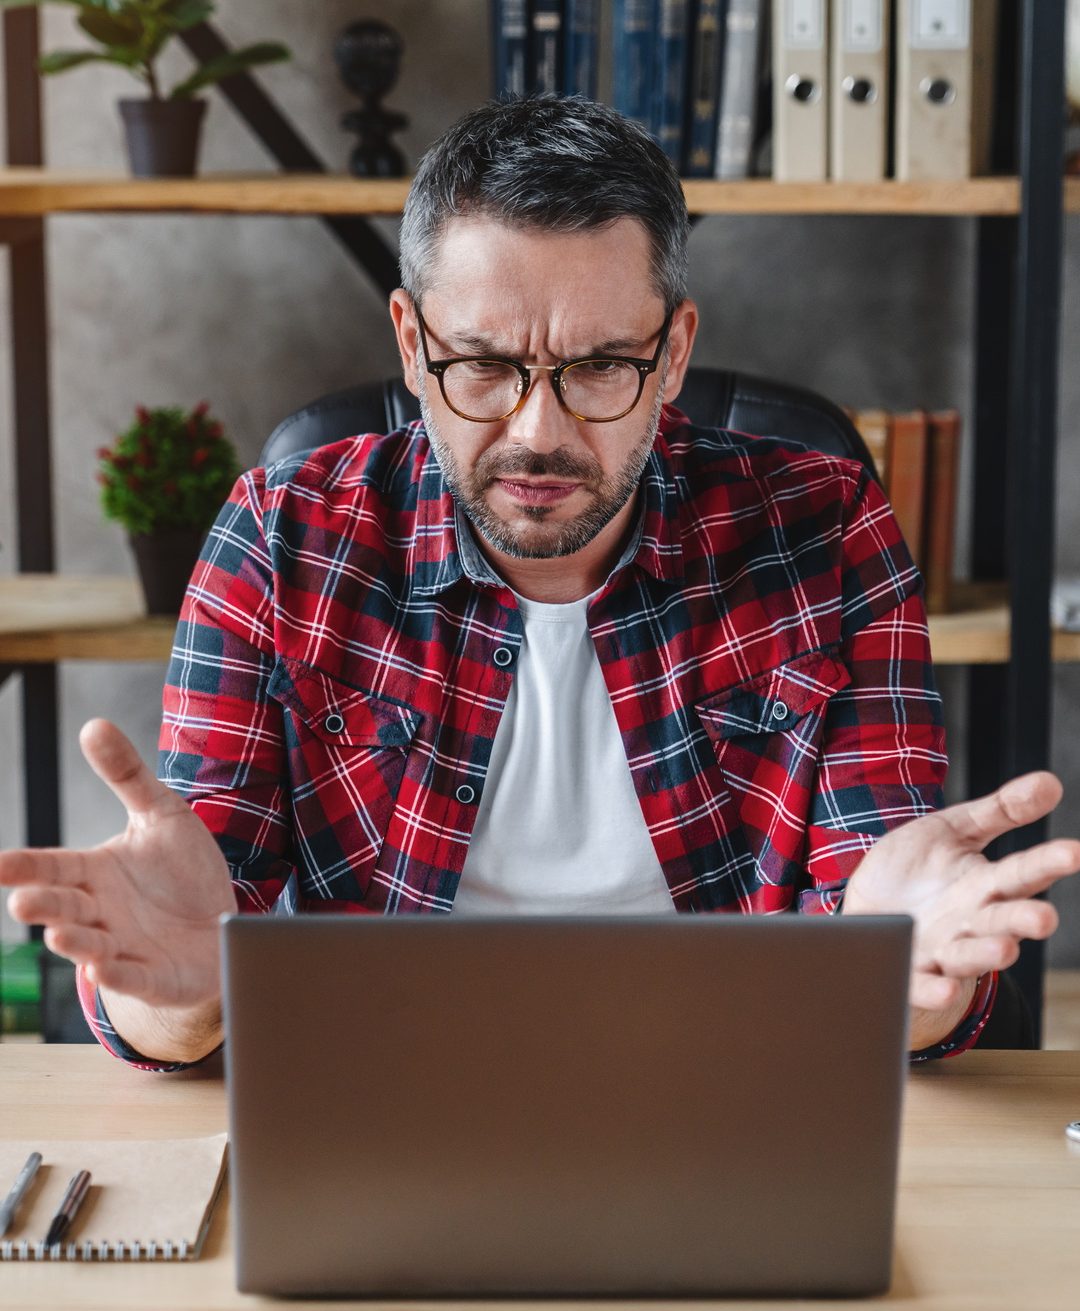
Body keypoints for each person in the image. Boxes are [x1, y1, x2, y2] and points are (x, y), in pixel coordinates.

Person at [2, 96, 1078, 1070]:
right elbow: (188, 956)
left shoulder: (825, 523)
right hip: (382, 1095)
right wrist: (183, 999)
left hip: (733, 1092)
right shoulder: (283, 539)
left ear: (673, 354)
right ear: (414, 347)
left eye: (602, 366)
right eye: (484, 366)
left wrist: (908, 981)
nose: (539, 434)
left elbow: (885, 918)